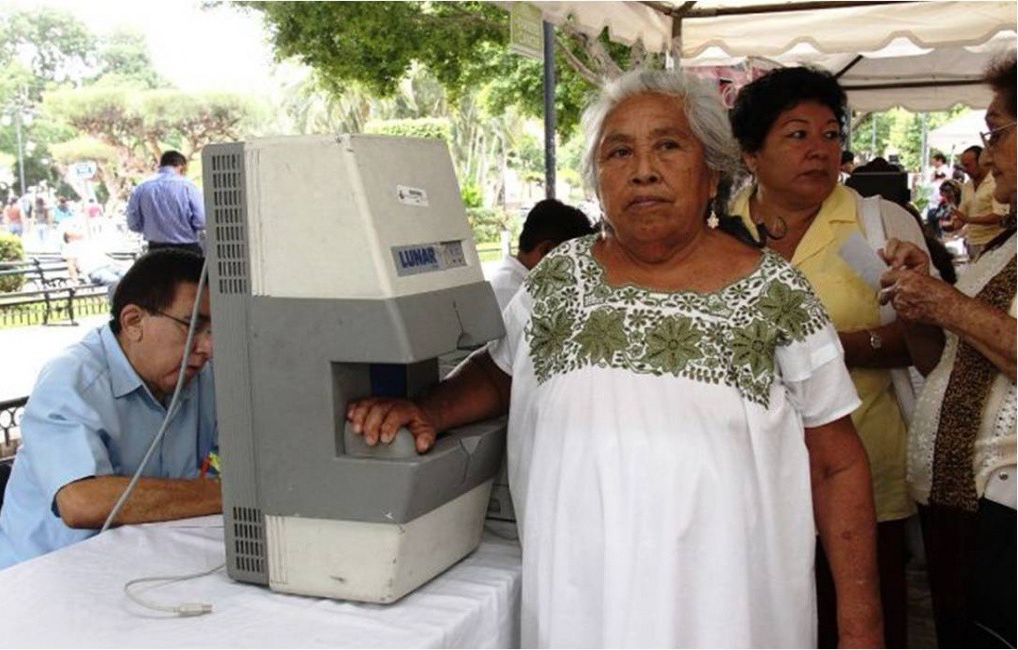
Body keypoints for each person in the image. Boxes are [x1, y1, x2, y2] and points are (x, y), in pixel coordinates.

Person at [348, 68, 882, 648]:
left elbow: (838, 465)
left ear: (712, 175)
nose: (643, 170)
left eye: (669, 146)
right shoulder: (558, 278)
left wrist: (860, 628)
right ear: (598, 181)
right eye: (619, 151)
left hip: (733, 616)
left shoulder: (776, 294)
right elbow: (499, 373)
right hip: (580, 611)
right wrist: (427, 409)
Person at [728, 65, 930, 649]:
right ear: (751, 154)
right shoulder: (719, 232)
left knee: (863, 620)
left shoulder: (875, 224)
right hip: (754, 481)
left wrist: (830, 349)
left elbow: (925, 342)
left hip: (864, 469)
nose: (820, 150)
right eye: (797, 135)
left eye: (830, 134)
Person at [880, 50, 1016, 650]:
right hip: (962, 503)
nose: (987, 157)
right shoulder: (1002, 246)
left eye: (999, 134)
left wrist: (947, 303)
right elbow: (948, 366)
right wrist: (916, 308)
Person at [0, 249, 220, 570]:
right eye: (193, 327)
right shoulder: (72, 381)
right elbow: (81, 502)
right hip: (43, 576)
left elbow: (256, 455)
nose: (207, 348)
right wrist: (220, 495)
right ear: (133, 322)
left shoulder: (200, 380)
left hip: (142, 563)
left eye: (213, 332)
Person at [489, 199, 595, 311]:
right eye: (570, 263)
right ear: (547, 250)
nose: (574, 274)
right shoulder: (511, 292)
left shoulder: (524, 284)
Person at [126, 151, 206, 254]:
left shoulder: (141, 188)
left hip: (155, 252)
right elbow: (201, 221)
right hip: (187, 251)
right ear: (181, 166)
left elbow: (133, 224)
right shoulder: (188, 186)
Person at [954, 145, 1008, 260]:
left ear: (981, 162)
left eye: (968, 165)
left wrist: (969, 220)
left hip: (993, 242)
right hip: (972, 242)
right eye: (963, 166)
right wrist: (952, 224)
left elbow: (998, 216)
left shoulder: (996, 182)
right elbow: (961, 216)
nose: (965, 170)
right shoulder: (967, 186)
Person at [60, 226, 128, 298]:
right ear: (69, 238)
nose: (78, 230)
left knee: (130, 276)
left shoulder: (89, 242)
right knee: (113, 281)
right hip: (95, 270)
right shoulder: (70, 247)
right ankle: (118, 306)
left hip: (110, 266)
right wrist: (75, 281)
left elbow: (106, 255)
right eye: (74, 230)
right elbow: (71, 265)